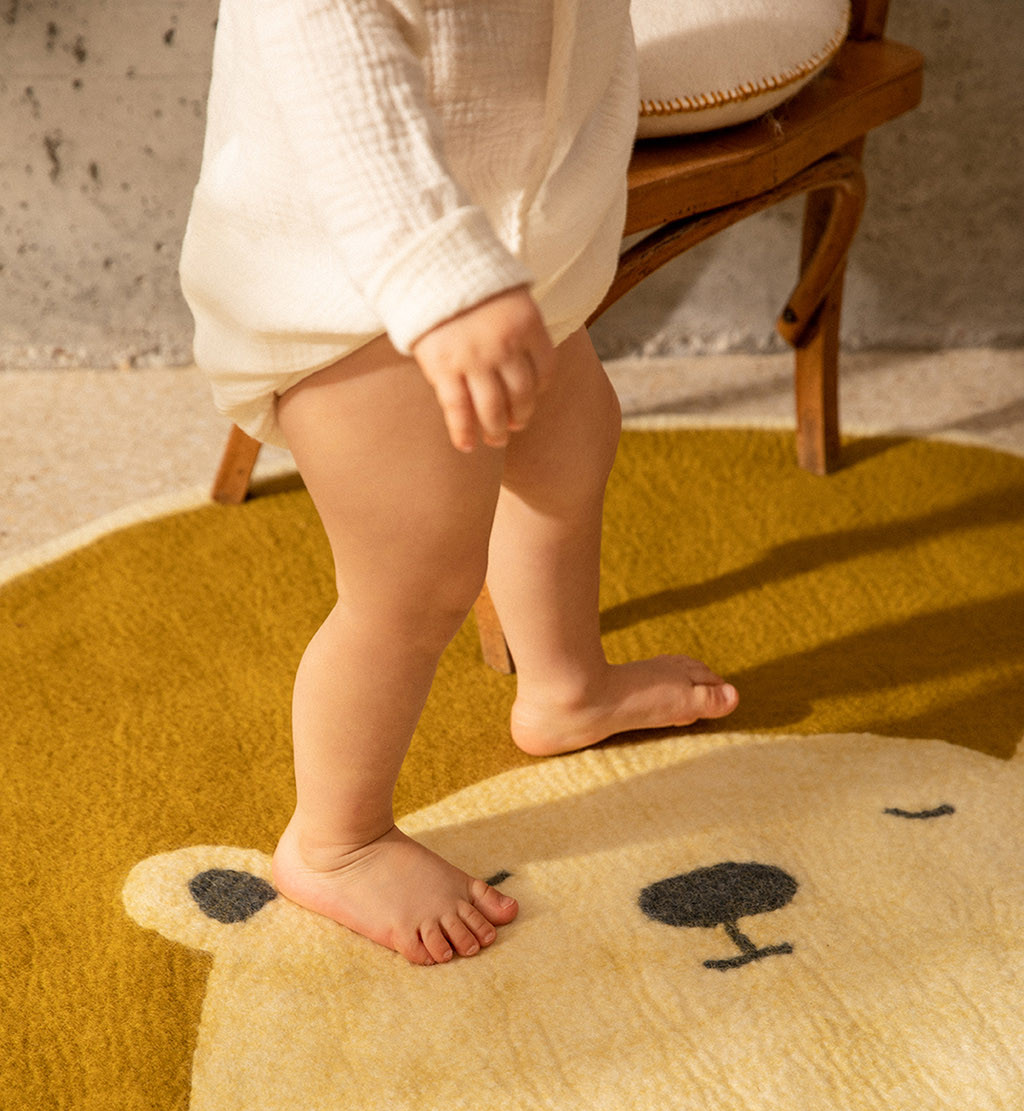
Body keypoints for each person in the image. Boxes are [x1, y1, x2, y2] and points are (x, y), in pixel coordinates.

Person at [179, 0, 739, 967]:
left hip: (516, 237)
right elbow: (332, 62)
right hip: (360, 281)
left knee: (570, 450)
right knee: (416, 578)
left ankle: (564, 687)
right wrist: (440, 276)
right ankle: (336, 840)